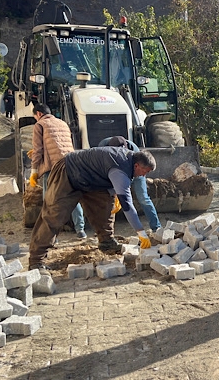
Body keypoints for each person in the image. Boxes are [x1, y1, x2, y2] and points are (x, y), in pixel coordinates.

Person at [28, 147, 156, 272]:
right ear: (137, 166)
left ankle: (106, 241)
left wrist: (114, 192)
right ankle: (36, 260)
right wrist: (141, 233)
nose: (144, 176)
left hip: (91, 179)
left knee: (104, 204)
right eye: (145, 171)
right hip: (68, 172)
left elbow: (108, 173)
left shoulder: (129, 161)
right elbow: (127, 205)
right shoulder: (121, 168)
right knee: (54, 215)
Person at [29, 104, 87, 239]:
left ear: (38, 114)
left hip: (53, 167)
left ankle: (50, 235)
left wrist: (34, 171)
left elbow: (38, 150)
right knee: (73, 197)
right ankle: (81, 230)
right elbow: (60, 144)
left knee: (49, 201)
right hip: (71, 164)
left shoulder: (40, 125)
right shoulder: (62, 123)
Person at [98, 136, 162, 233]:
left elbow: (137, 169)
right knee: (108, 199)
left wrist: (122, 192)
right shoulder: (102, 148)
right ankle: (104, 232)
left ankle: (156, 227)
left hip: (138, 170)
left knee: (143, 198)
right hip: (116, 171)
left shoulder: (134, 151)